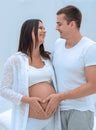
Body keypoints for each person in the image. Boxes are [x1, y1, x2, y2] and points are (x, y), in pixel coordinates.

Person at [0, 19, 61, 130]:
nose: (45, 31)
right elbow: (4, 90)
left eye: (44, 28)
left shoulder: (49, 58)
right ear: (29, 32)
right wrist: (28, 100)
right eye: (40, 28)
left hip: (52, 119)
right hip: (30, 121)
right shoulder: (15, 60)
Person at [43, 5, 96, 130]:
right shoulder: (58, 44)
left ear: (72, 24)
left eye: (59, 24)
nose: (56, 28)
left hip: (80, 111)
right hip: (58, 110)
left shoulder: (90, 48)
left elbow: (93, 86)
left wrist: (60, 97)